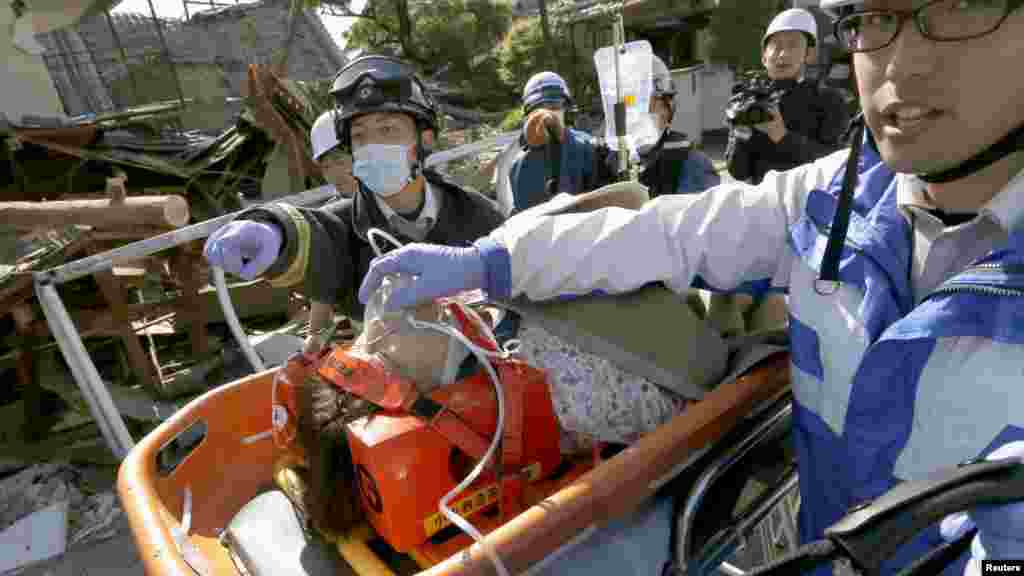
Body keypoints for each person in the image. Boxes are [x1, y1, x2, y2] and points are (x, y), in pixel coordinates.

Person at [359, 1, 1024, 574]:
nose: (901, 65)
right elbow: (666, 234)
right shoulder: (833, 201)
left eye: (957, 7)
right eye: (875, 18)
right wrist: (489, 263)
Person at [203, 55, 505, 354]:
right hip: (390, 377)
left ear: (425, 140)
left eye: (387, 130)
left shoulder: (478, 214)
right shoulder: (344, 227)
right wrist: (276, 232)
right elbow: (315, 239)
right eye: (360, 136)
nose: (372, 146)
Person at [725, 8, 851, 185]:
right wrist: (740, 135)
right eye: (776, 46)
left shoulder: (828, 98)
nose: (783, 54)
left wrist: (783, 137)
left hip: (809, 196)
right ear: (764, 57)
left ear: (809, 54)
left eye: (792, 45)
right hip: (763, 198)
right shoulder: (749, 100)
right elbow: (738, 172)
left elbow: (837, 162)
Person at [507, 71, 618, 212]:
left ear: (566, 107)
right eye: (540, 107)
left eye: (555, 105)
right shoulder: (516, 165)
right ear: (529, 114)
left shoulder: (590, 147)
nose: (548, 112)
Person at [638, 54, 721, 197]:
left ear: (668, 110)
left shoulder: (691, 164)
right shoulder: (604, 161)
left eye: (648, 105)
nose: (638, 116)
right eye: (630, 108)